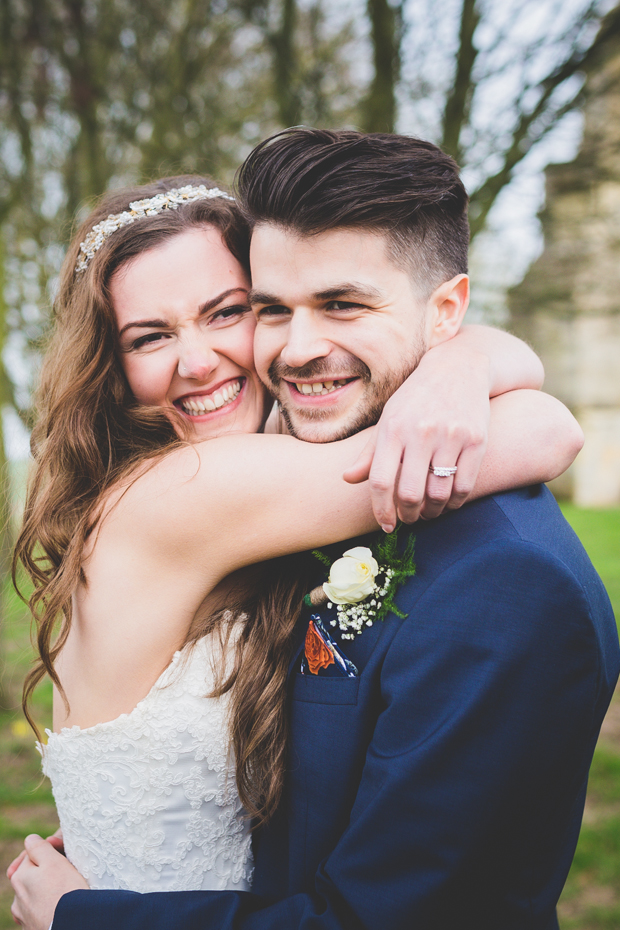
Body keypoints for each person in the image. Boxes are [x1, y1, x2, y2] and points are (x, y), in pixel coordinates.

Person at [8, 133, 604, 930]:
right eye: (150, 336)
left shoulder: (279, 473)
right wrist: (459, 366)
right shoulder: (179, 493)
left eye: (227, 313)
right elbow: (546, 430)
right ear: (110, 367)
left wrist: (457, 364)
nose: (199, 361)